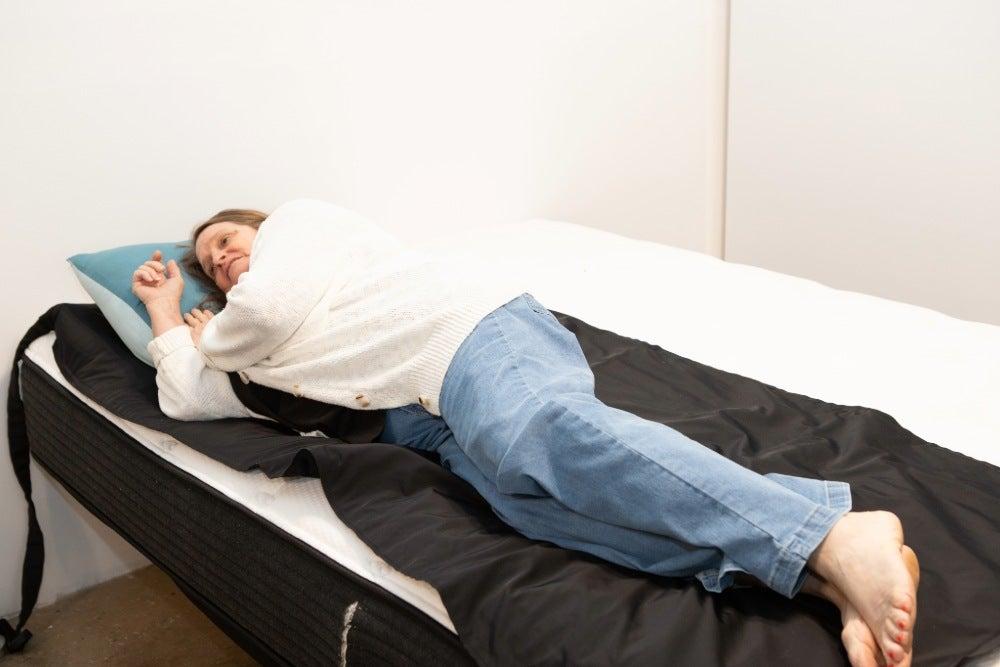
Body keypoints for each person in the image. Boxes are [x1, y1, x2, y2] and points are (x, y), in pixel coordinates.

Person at [132, 199, 919, 667]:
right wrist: (168, 315)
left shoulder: (297, 231)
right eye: (211, 262)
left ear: (258, 227)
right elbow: (187, 399)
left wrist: (214, 334)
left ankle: (833, 533)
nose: (225, 257)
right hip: (426, 417)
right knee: (538, 510)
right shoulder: (245, 341)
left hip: (465, 334)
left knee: (538, 432)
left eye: (229, 238)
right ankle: (816, 572)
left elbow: (260, 312)